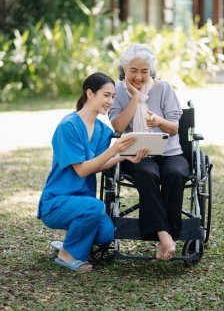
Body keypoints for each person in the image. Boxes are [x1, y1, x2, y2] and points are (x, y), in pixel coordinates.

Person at [37, 72, 148, 272]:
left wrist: (124, 157)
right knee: (95, 208)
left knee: (106, 234)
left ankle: (69, 241)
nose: (111, 101)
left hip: (83, 202)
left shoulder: (102, 130)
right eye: (106, 95)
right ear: (90, 93)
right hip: (56, 202)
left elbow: (98, 164)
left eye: (113, 96)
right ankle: (67, 254)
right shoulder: (68, 126)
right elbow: (82, 170)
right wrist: (115, 149)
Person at [108, 44, 190, 260]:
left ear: (150, 71)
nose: (138, 76)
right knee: (147, 173)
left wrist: (158, 121)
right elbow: (118, 127)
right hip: (137, 154)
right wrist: (135, 98)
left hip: (171, 153)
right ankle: (165, 235)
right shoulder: (116, 91)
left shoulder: (163, 88)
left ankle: (166, 235)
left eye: (144, 71)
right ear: (124, 69)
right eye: (133, 70)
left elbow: (174, 129)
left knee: (176, 173)